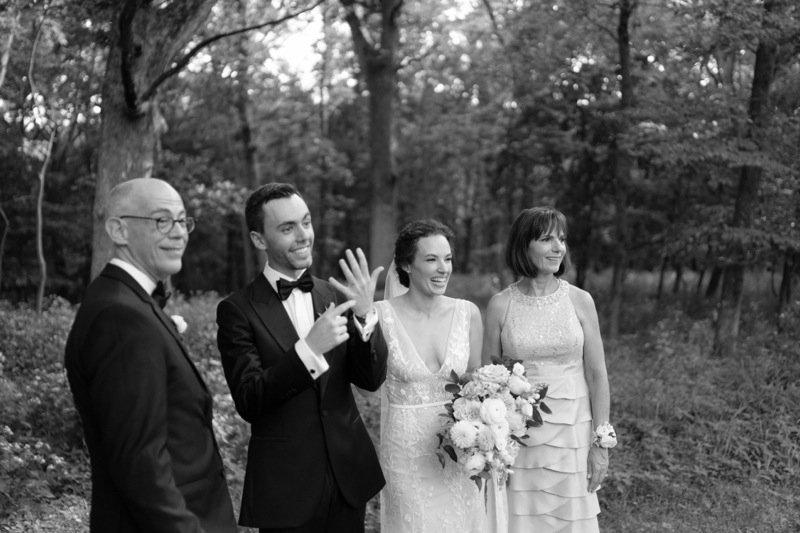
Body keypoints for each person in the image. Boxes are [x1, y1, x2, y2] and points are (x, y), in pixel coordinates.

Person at [64, 178, 237, 533]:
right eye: (162, 220)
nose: (179, 233)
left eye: (183, 221)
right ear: (118, 230)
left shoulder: (130, 301)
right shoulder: (119, 315)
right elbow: (140, 464)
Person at [216, 182, 388, 533]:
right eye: (287, 228)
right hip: (286, 489)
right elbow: (249, 399)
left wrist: (364, 316)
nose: (303, 235)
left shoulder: (332, 294)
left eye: (306, 222)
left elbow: (370, 380)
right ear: (259, 239)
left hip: (348, 479)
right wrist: (308, 350)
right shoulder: (237, 310)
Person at [483, 206, 615, 532]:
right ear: (523, 245)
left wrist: (601, 444)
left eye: (562, 239)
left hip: (573, 431)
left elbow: (597, 375)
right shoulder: (500, 304)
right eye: (546, 239)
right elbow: (489, 380)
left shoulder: (581, 300)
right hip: (519, 434)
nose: (558, 248)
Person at [376, 219, 488, 533]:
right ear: (406, 265)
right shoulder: (380, 315)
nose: (443, 269)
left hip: (458, 455)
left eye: (448, 259)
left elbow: (476, 388)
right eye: (431, 259)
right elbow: (364, 382)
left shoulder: (468, 314)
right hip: (406, 458)